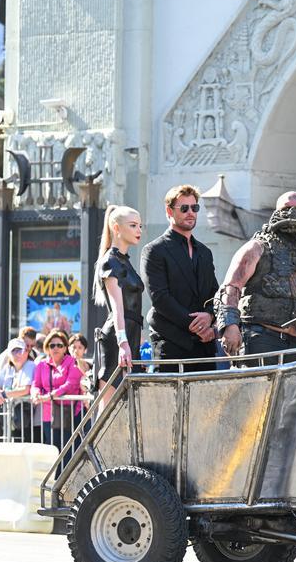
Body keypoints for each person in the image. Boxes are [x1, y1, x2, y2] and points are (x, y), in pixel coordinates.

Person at [216, 191, 296, 362]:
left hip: (295, 342)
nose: (292, 213)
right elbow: (231, 287)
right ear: (276, 211)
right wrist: (230, 325)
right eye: (286, 208)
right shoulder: (256, 248)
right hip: (259, 338)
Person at [141, 185, 220, 372]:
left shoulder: (205, 252)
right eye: (184, 208)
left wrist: (209, 317)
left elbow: (215, 294)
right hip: (171, 344)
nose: (190, 212)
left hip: (205, 346)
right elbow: (160, 297)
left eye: (195, 208)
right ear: (169, 211)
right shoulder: (154, 250)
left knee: (208, 401)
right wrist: (196, 325)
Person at [93, 205, 144, 400]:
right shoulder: (110, 261)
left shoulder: (124, 261)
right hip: (117, 339)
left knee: (125, 408)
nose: (138, 230)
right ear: (116, 227)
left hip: (129, 338)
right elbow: (117, 308)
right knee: (107, 409)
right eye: (133, 225)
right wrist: (123, 342)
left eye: (140, 225)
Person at [31, 330, 84, 455]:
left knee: (67, 453)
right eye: (52, 345)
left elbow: (71, 385)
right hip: (48, 414)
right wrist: (35, 393)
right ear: (47, 348)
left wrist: (50, 396)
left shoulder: (72, 362)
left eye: (59, 345)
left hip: (68, 413)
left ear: (65, 348)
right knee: (53, 452)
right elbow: (36, 384)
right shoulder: (41, 365)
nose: (56, 348)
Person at [0, 338, 38, 441]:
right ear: (9, 354)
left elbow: (26, 389)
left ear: (26, 352)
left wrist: (3, 394)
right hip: (10, 416)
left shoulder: (30, 365)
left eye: (20, 350)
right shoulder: (8, 368)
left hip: (28, 417)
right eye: (14, 351)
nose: (17, 354)